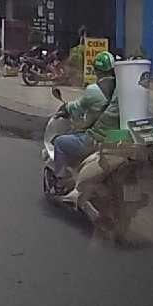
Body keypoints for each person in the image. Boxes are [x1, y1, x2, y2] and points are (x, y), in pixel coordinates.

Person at [51, 50, 120, 198]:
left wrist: (66, 108)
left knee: (60, 143)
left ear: (96, 70)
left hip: (95, 140)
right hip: (115, 139)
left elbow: (77, 106)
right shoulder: (119, 90)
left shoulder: (93, 90)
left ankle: (60, 182)